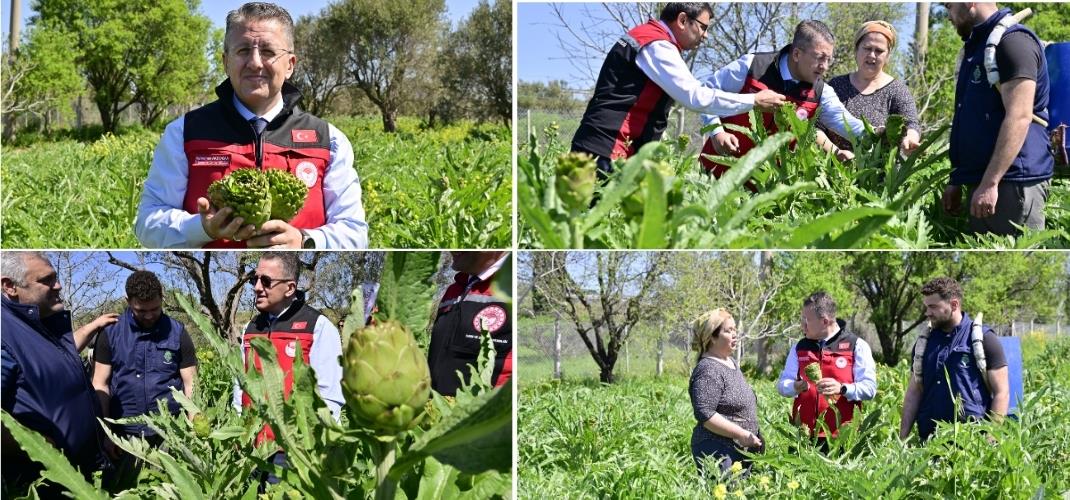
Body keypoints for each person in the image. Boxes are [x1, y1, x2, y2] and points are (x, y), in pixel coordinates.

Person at [135, 2, 368, 249]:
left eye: (268, 51)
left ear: (290, 64)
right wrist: (201, 228)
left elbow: (355, 234)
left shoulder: (328, 140)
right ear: (226, 62)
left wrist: (305, 241)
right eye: (243, 50)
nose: (255, 62)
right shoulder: (184, 133)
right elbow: (147, 225)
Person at [570, 2, 786, 175]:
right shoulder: (658, 46)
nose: (706, 36)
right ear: (683, 20)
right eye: (703, 27)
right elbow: (695, 97)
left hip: (599, 144)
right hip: (608, 149)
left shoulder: (647, 37)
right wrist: (754, 101)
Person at [699, 20, 867, 180]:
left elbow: (846, 123)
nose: (825, 66)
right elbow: (707, 93)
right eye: (820, 58)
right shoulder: (752, 67)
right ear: (796, 54)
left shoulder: (821, 92)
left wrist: (878, 133)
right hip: (716, 174)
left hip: (767, 191)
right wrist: (716, 132)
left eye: (828, 59)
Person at [942, 3, 1054, 236]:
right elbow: (971, 118)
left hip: (1012, 184)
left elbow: (1020, 116)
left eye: (949, 5)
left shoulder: (1013, 42)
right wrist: (958, 179)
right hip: (985, 184)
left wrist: (990, 183)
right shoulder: (977, 48)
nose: (948, 15)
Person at [1, 252, 107, 492]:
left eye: (56, 277)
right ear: (10, 286)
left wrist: (93, 326)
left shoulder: (39, 320)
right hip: (46, 484)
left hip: (81, 475)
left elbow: (52, 357)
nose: (57, 285)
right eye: (46, 280)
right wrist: (37, 445)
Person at [91, 270, 197, 488]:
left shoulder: (178, 332)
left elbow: (191, 384)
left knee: (168, 491)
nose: (149, 315)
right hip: (125, 436)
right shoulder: (110, 333)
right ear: (128, 301)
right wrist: (106, 434)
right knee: (122, 491)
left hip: (169, 434)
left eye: (155, 309)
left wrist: (193, 430)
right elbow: (100, 384)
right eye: (141, 310)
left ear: (162, 297)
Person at [900, 277, 1009, 442]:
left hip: (971, 444)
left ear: (954, 305)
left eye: (933, 307)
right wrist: (902, 439)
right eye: (926, 307)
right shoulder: (924, 343)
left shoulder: (984, 339)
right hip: (930, 442)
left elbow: (1002, 393)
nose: (927, 313)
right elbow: (914, 393)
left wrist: (991, 438)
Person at [776, 292, 877, 444]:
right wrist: (794, 386)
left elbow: (870, 389)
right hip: (804, 437)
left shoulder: (857, 345)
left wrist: (843, 389)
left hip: (842, 439)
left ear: (824, 321)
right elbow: (783, 385)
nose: (802, 325)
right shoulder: (799, 347)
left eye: (807, 320)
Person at [816, 21, 922, 154]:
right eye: (867, 48)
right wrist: (835, 153)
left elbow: (911, 124)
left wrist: (910, 139)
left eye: (879, 51)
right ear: (856, 50)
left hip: (882, 172)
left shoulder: (897, 90)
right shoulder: (836, 85)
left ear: (887, 56)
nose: (872, 55)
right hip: (836, 170)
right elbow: (816, 126)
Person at [688, 309, 763, 479]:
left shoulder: (731, 363)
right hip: (717, 450)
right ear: (712, 337)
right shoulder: (708, 369)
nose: (735, 334)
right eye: (728, 331)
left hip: (738, 451)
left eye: (735, 329)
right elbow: (705, 414)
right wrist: (741, 434)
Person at [427, 252, 512, 397]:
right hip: (436, 406)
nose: (451, 249)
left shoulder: (510, 288)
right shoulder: (453, 290)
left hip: (483, 412)